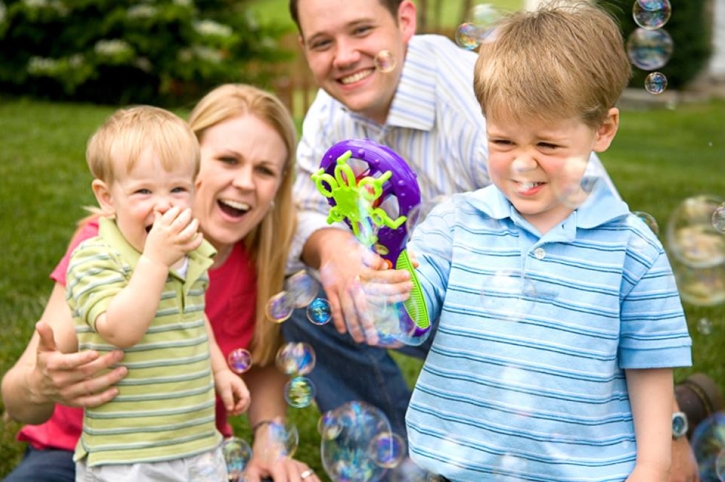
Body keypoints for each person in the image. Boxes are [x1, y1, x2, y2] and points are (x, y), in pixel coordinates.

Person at [374, 2, 693, 480]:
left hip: (586, 471)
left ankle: (695, 401)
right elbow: (413, 318)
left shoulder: (632, 250)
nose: (523, 164)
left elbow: (648, 369)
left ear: (602, 130)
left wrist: (650, 468)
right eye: (503, 142)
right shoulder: (455, 224)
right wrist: (394, 284)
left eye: (547, 145)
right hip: (460, 468)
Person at [283, 0, 616, 441]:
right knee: (304, 299)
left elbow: (594, 212)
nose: (344, 56)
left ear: (405, 20)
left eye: (361, 30)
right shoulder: (328, 112)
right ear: (305, 46)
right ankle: (402, 459)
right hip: (418, 298)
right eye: (323, 42)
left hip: (524, 309)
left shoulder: (472, 101)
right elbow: (300, 208)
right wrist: (331, 246)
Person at [1, 84, 321, 482]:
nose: (244, 182)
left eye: (264, 170)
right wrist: (39, 383)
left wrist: (267, 443)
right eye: (228, 160)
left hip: (193, 455)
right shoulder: (104, 248)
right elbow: (17, 397)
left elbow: (262, 364)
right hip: (85, 453)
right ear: (194, 165)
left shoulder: (262, 263)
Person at [65, 105, 250, 479]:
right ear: (107, 197)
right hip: (128, 452)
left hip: (197, 443)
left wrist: (219, 371)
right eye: (143, 190)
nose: (164, 204)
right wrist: (155, 262)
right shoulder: (94, 257)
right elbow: (120, 329)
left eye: (177, 189)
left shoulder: (191, 251)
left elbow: (194, 317)